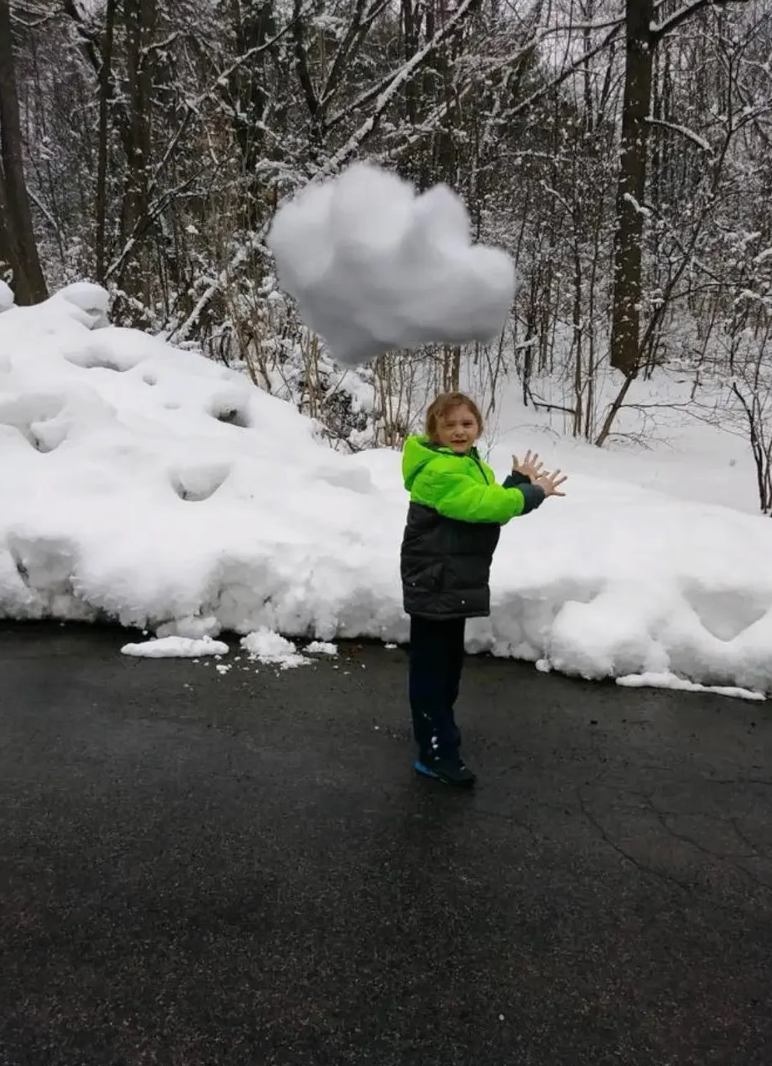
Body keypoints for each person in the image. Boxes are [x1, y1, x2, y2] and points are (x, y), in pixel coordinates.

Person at [400, 391, 567, 788]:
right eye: (449, 425)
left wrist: (515, 483)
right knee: (432, 673)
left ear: (478, 427)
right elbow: (483, 505)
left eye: (467, 423)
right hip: (435, 582)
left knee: (447, 670)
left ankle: (439, 734)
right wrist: (533, 493)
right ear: (434, 430)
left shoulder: (468, 464)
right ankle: (435, 751)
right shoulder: (438, 470)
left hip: (452, 580)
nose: (459, 431)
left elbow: (487, 509)